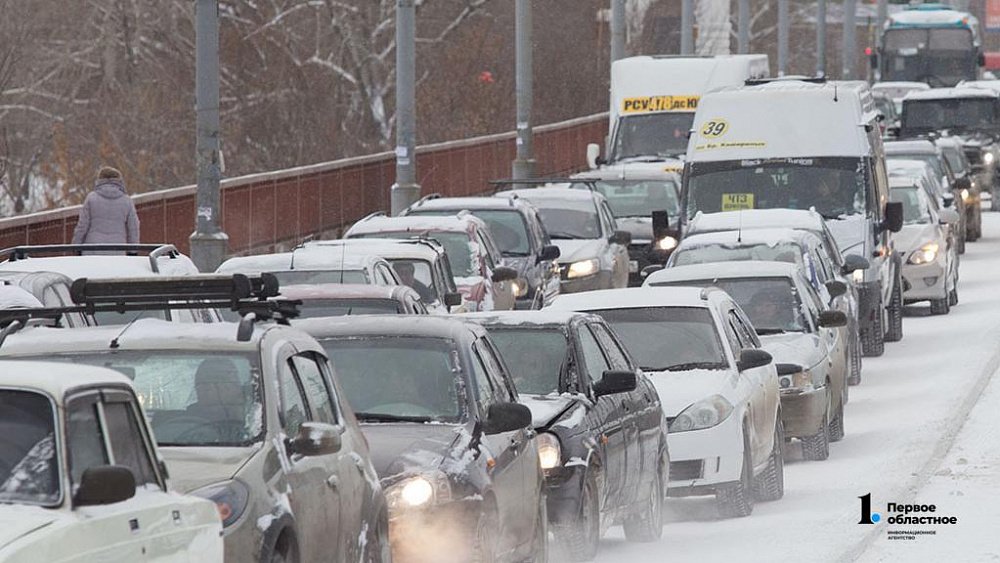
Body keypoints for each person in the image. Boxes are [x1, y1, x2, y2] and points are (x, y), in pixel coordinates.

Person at [71, 167, 140, 245]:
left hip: (93, 247)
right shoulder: (127, 201)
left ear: (99, 180)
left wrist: (76, 246)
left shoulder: (91, 198)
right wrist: (133, 249)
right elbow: (133, 229)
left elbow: (82, 226)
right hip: (117, 247)